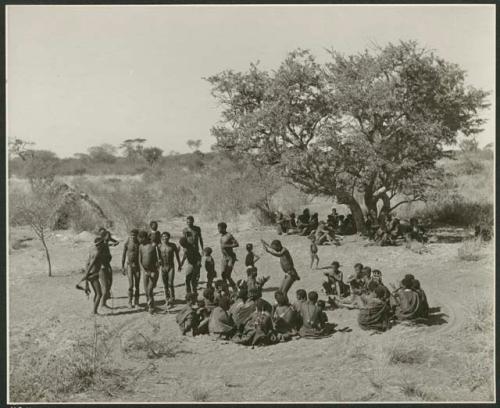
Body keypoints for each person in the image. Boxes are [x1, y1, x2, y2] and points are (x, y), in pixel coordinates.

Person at [77, 237, 107, 315]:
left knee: (97, 293)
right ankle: (94, 312)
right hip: (92, 274)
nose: (99, 246)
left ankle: (94, 310)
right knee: (99, 294)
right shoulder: (97, 252)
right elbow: (91, 264)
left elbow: (87, 263)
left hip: (90, 273)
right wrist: (86, 275)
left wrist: (86, 275)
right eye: (98, 245)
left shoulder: (92, 249)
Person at [158, 232, 181, 308]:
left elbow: (177, 255)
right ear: (161, 238)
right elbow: (156, 257)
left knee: (170, 283)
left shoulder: (172, 245)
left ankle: (172, 298)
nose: (165, 238)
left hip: (171, 266)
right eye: (163, 236)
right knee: (165, 284)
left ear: (169, 237)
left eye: (167, 236)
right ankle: (167, 299)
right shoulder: (159, 246)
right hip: (163, 267)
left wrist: (179, 265)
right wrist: (158, 262)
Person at [138, 231, 159, 313]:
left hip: (153, 271)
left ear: (145, 238)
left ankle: (151, 307)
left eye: (140, 238)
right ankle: (150, 305)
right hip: (145, 271)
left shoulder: (153, 246)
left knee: (150, 290)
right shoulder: (140, 247)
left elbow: (158, 261)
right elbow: (139, 261)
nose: (139, 240)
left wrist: (155, 271)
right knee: (146, 291)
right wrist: (144, 271)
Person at [98, 228, 119, 309]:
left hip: (107, 265)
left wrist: (111, 243)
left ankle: (104, 301)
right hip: (102, 267)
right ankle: (102, 304)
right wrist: (101, 265)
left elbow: (117, 242)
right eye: (108, 236)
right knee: (105, 286)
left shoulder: (106, 244)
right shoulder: (101, 245)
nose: (109, 237)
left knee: (110, 283)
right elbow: (97, 256)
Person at [121, 228, 141, 308]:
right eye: (131, 235)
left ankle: (136, 302)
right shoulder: (127, 243)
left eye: (134, 235)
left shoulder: (139, 243)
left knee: (137, 285)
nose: (133, 237)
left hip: (137, 266)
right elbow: (123, 255)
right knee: (130, 285)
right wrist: (122, 267)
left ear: (137, 235)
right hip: (129, 265)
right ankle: (129, 301)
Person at [218, 222, 239, 292]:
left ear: (224, 228)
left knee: (228, 275)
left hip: (231, 258)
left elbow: (236, 244)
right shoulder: (221, 236)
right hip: (224, 257)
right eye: (218, 228)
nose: (218, 229)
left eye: (219, 228)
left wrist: (227, 246)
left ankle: (235, 289)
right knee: (223, 274)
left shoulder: (229, 235)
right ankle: (226, 290)